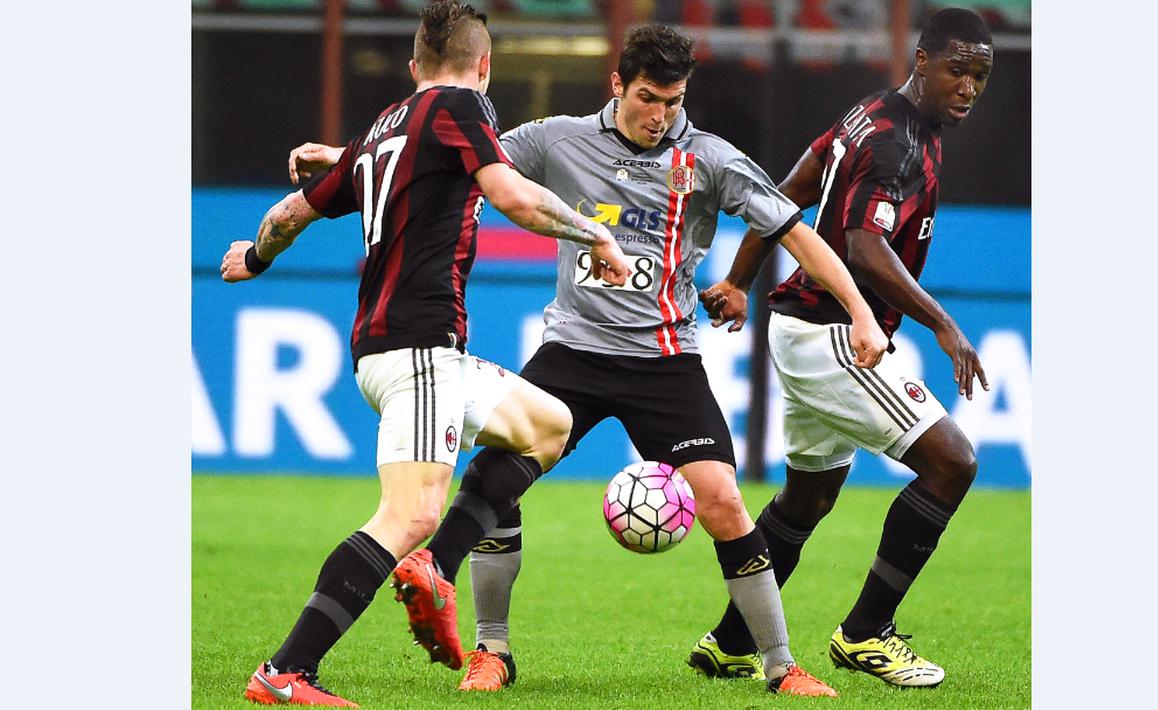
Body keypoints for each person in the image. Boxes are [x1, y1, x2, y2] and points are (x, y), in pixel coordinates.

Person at [292, 23, 887, 699]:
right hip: (573, 349)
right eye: (646, 97)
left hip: (664, 358)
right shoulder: (556, 137)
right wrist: (348, 157)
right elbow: (444, 155)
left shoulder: (711, 158)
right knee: (494, 476)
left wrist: (860, 312)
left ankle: (780, 665)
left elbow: (795, 232)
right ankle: (491, 650)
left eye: (672, 100)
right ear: (616, 84)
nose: (659, 114)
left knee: (722, 500)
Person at [221, 2, 631, 705]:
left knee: (548, 424)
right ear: (485, 66)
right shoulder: (461, 108)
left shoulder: (387, 125)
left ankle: (437, 570)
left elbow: (289, 213)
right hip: (415, 347)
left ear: (413, 66)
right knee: (409, 513)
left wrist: (255, 259)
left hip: (410, 349)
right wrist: (593, 234)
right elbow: (515, 198)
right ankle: (285, 672)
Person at [696, 7, 994, 688]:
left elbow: (791, 188)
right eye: (957, 68)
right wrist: (942, 324)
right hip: (835, 336)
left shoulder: (874, 114)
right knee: (951, 464)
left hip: (802, 329)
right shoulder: (896, 143)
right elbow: (863, 246)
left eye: (979, 74)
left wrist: (740, 278)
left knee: (806, 499)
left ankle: (731, 641)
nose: (968, 86)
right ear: (921, 61)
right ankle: (865, 634)